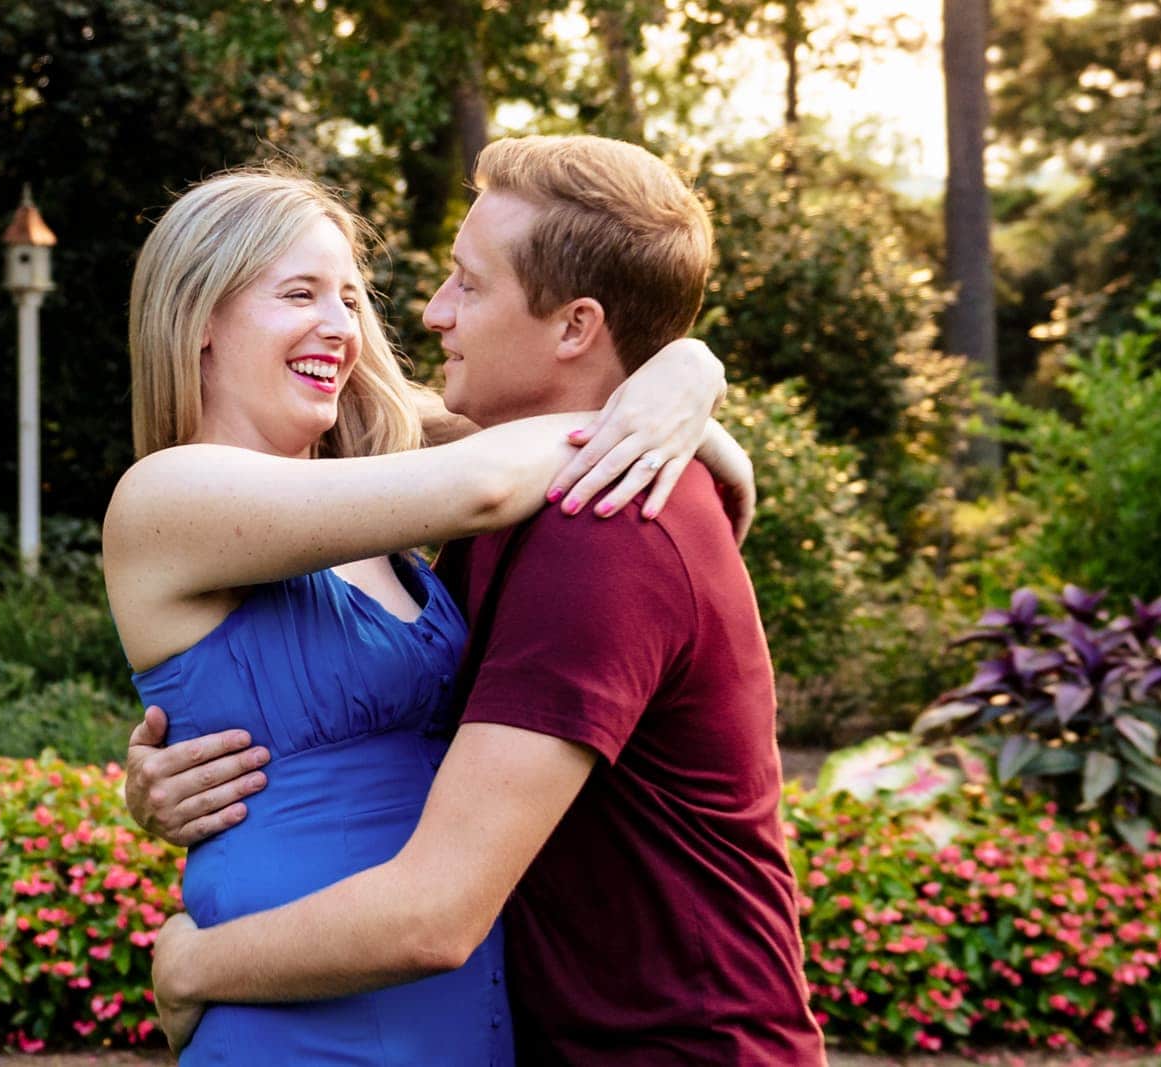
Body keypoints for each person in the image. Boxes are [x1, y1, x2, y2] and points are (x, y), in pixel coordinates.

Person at [132, 135, 828, 1065]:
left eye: (348, 297)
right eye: (297, 293)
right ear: (197, 317)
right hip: (377, 1024)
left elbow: (435, 909)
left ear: (576, 326)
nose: (426, 312)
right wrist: (668, 384)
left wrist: (687, 377)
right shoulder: (476, 481)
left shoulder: (592, 513)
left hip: (653, 1043)